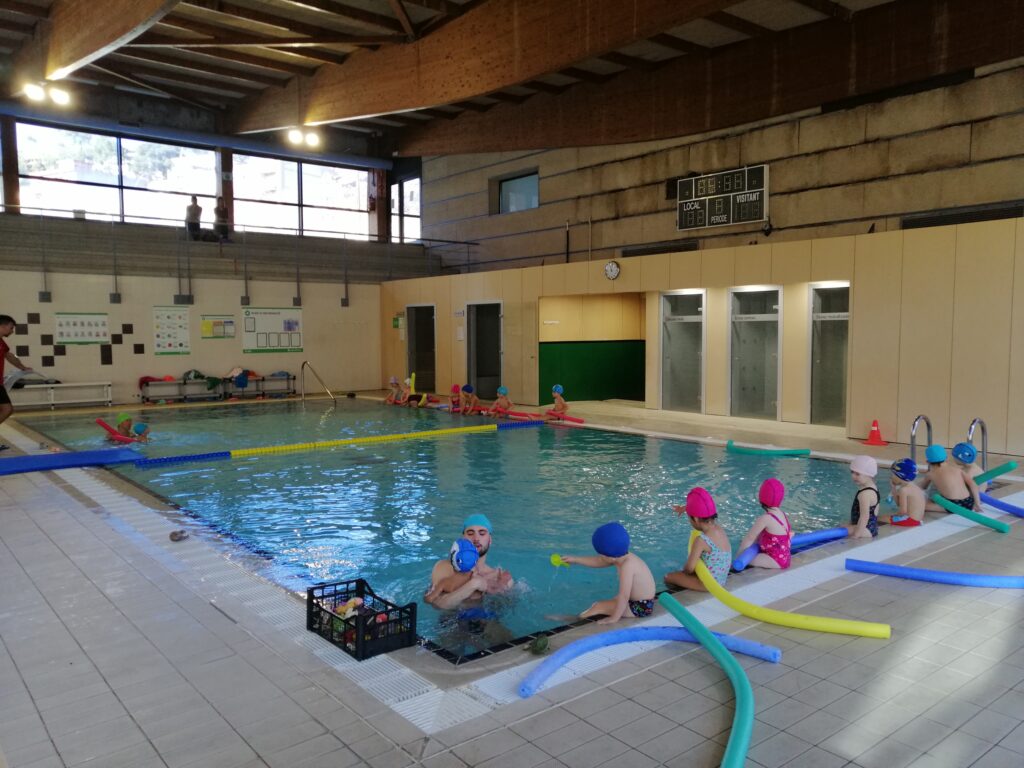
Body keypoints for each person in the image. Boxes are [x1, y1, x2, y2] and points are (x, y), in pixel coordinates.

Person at [561, 522, 656, 624]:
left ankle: (576, 619)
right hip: (639, 601)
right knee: (607, 603)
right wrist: (575, 560)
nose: (600, 557)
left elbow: (624, 596)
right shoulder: (621, 556)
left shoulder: (627, 566)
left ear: (611, 557)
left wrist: (614, 618)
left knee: (597, 606)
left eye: (601, 555)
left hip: (641, 607)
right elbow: (599, 561)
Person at [425, 514, 512, 609]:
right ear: (463, 539)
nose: (476, 539)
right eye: (470, 534)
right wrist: (474, 584)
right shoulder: (444, 567)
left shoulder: (498, 577)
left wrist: (501, 594)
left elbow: (507, 608)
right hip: (452, 617)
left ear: (490, 540)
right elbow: (437, 604)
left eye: (482, 534)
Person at [664, 487, 732, 591]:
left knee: (668, 577)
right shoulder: (719, 529)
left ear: (695, 519)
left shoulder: (701, 540)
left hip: (708, 584)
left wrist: (682, 574)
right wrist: (684, 508)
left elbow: (689, 569)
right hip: (722, 579)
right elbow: (704, 509)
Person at [735, 478, 792, 569]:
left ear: (761, 498)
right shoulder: (781, 514)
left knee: (747, 559)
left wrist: (738, 555)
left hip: (774, 560)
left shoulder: (765, 518)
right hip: (785, 557)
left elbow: (750, 538)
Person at [0, 315, 31, 451]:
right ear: (3, 326)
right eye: (11, 328)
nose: (12, 331)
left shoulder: (1, 343)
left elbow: (9, 356)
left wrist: (22, 367)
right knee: (6, 409)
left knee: (6, 409)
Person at [922, 444, 981, 514]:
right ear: (946, 458)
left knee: (921, 505)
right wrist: (977, 503)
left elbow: (922, 487)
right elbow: (973, 485)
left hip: (953, 505)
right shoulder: (958, 470)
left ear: (927, 462)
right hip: (969, 503)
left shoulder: (930, 474)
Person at [424, 539, 478, 604]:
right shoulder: (474, 577)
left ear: (452, 560)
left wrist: (430, 591)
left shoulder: (445, 582)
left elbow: (429, 599)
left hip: (450, 607)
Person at [881, 457, 926, 527]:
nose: (891, 477)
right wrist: (893, 488)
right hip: (917, 520)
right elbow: (899, 504)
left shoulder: (903, 490)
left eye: (893, 474)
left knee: (879, 518)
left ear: (900, 475)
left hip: (910, 521)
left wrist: (894, 516)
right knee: (887, 517)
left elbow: (903, 512)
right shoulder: (915, 487)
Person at [846, 455, 880, 538]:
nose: (853, 476)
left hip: (865, 529)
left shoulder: (865, 494)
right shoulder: (872, 488)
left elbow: (864, 517)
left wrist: (856, 535)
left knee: (838, 531)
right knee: (842, 526)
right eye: (852, 472)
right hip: (871, 527)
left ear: (869, 475)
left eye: (857, 474)